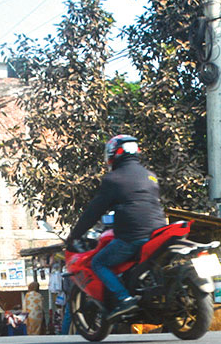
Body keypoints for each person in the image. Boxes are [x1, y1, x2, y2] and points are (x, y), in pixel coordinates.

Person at [65, 134, 168, 320]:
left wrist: (74, 235)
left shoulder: (113, 179)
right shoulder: (150, 176)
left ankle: (124, 298)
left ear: (113, 153)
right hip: (157, 232)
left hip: (132, 237)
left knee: (99, 262)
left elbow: (94, 211)